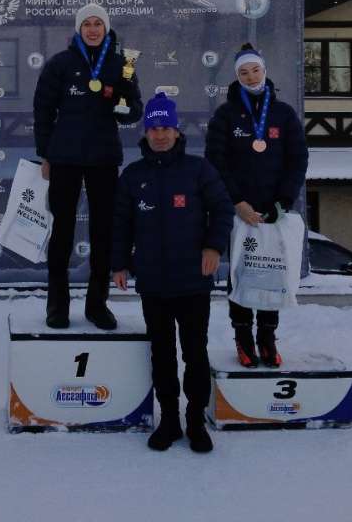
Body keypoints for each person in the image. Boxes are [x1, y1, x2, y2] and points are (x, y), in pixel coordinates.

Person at [111, 93, 234, 452]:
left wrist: (213, 247)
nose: (160, 134)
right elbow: (120, 223)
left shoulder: (199, 170)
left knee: (195, 353)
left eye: (166, 127)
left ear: (177, 131)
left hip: (193, 282)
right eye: (154, 128)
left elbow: (223, 209)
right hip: (154, 283)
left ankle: (196, 421)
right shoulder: (133, 176)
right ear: (145, 132)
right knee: (162, 354)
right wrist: (119, 263)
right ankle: (169, 421)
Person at [33, 3, 143, 329]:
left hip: (104, 159)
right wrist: (46, 154)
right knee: (62, 234)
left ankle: (97, 305)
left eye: (99, 24)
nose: (93, 29)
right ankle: (58, 307)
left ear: (106, 28)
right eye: (87, 24)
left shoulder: (122, 64)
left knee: (102, 234)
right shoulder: (60, 64)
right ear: (79, 29)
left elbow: (134, 110)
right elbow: (43, 111)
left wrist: (118, 102)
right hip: (65, 159)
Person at [205, 43, 308, 368]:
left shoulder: (283, 114)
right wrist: (237, 202)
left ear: (264, 71)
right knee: (241, 272)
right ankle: (242, 338)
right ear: (237, 76)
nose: (251, 76)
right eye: (244, 72)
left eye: (256, 70)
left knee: (270, 272)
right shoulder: (225, 114)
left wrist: (284, 201)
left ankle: (267, 337)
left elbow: (298, 159)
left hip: (273, 211)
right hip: (239, 211)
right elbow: (216, 161)